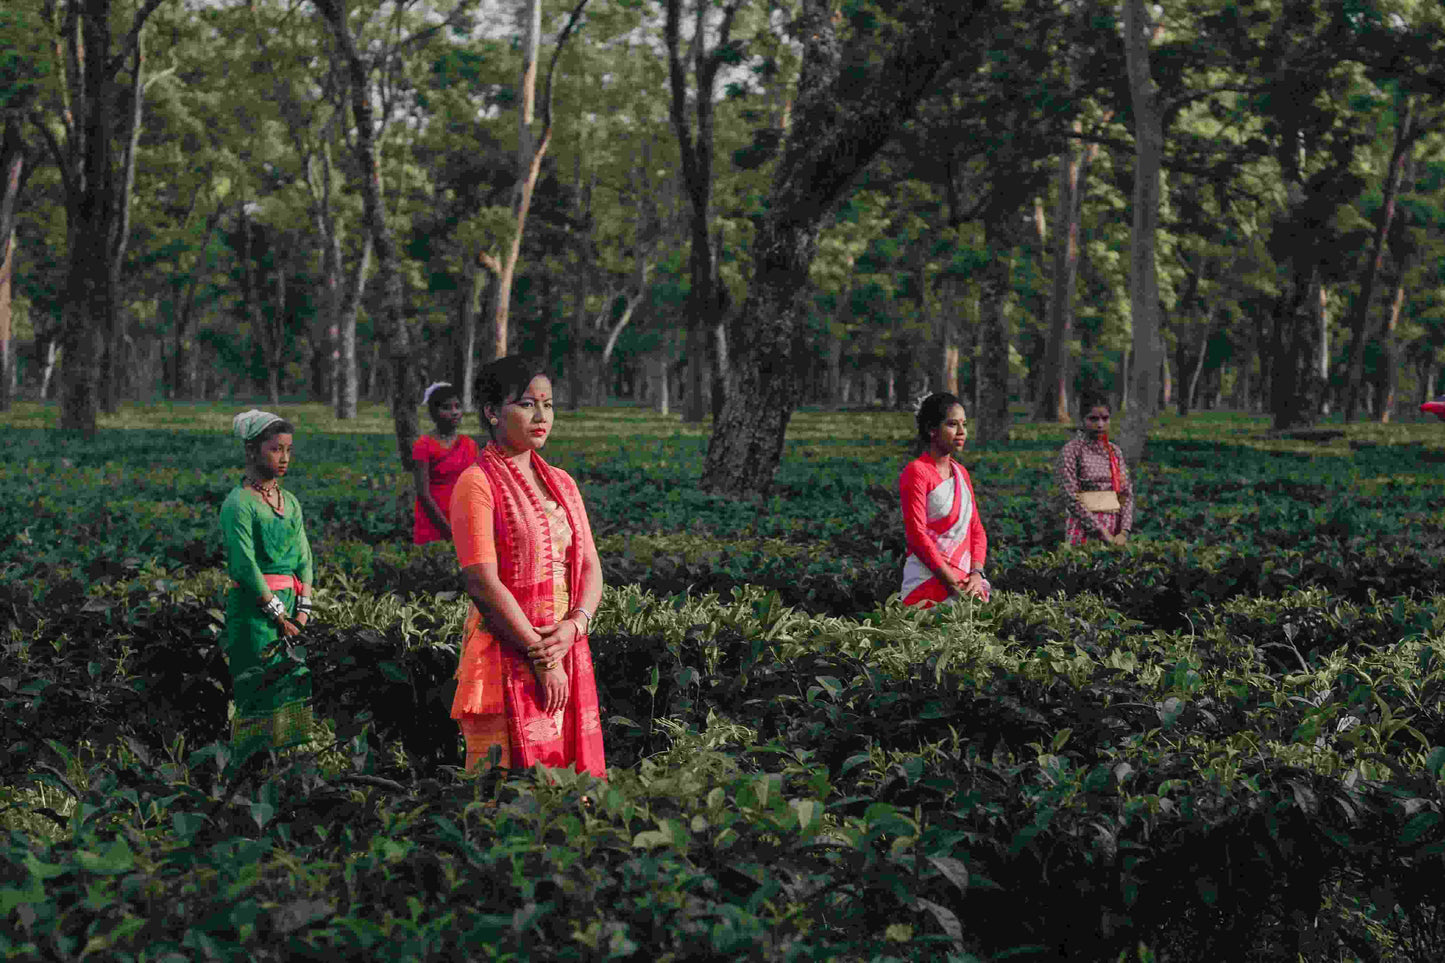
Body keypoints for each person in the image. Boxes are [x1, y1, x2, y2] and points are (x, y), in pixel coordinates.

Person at [448, 357, 606, 776]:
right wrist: (543, 659)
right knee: (506, 790)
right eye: (526, 404)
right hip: (508, 652)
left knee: (568, 785)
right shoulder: (476, 483)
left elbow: (590, 565)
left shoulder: (563, 482)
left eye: (548, 405)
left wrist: (574, 627)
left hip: (566, 646)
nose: (541, 417)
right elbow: (481, 582)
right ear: (492, 411)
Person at [219, 410, 315, 752]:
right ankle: (250, 773)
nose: (285, 457)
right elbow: (245, 567)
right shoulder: (239, 503)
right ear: (251, 452)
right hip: (254, 616)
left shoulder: (290, 502)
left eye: (288, 449)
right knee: (257, 694)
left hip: (292, 613)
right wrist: (278, 616)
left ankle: (289, 768)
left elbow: (305, 558)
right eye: (276, 449)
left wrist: (301, 613)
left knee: (291, 689)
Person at [898, 392, 990, 607]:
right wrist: (953, 585)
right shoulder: (917, 472)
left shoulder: (961, 473)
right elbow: (916, 535)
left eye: (964, 424)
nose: (961, 432)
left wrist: (977, 574)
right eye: (952, 424)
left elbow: (976, 529)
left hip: (968, 582)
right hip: (928, 583)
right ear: (932, 429)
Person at [1055, 396, 1134, 546]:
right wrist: (1100, 531)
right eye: (1093, 419)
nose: (1100, 425)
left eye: (1105, 418)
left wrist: (1124, 531)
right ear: (1082, 420)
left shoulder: (1115, 451)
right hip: (1082, 528)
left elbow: (1126, 494)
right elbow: (1070, 496)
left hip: (1114, 530)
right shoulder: (1072, 451)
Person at [411, 382, 479, 545]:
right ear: (434, 413)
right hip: (432, 523)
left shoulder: (469, 445)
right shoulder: (423, 446)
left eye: (457, 406)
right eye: (447, 408)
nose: (454, 412)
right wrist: (448, 530)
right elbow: (423, 494)